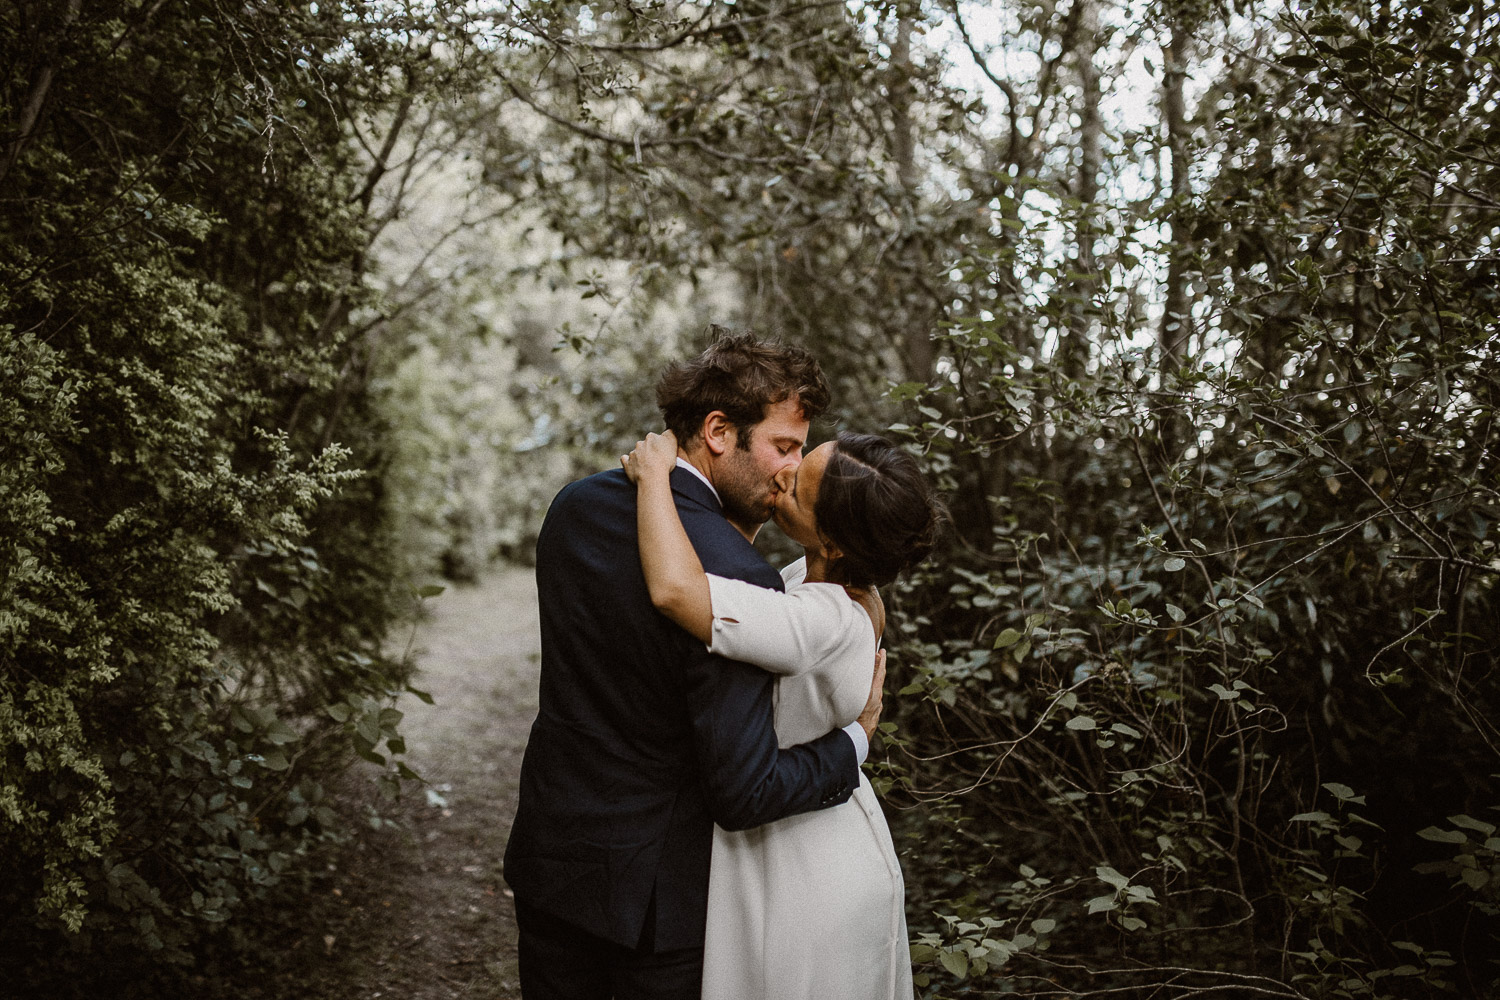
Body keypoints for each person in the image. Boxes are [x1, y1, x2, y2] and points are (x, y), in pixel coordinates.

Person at [502, 331, 883, 1000]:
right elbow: (745, 790)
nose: (790, 471)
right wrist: (855, 742)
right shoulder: (736, 581)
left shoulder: (574, 509)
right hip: (659, 911)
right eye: (784, 447)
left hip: (552, 863)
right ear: (718, 431)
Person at [622, 426, 944, 1000]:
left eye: (800, 489)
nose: (784, 474)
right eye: (801, 457)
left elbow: (675, 590)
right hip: (822, 826)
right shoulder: (833, 585)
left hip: (802, 872)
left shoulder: (817, 621)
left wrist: (652, 480)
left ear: (836, 542)